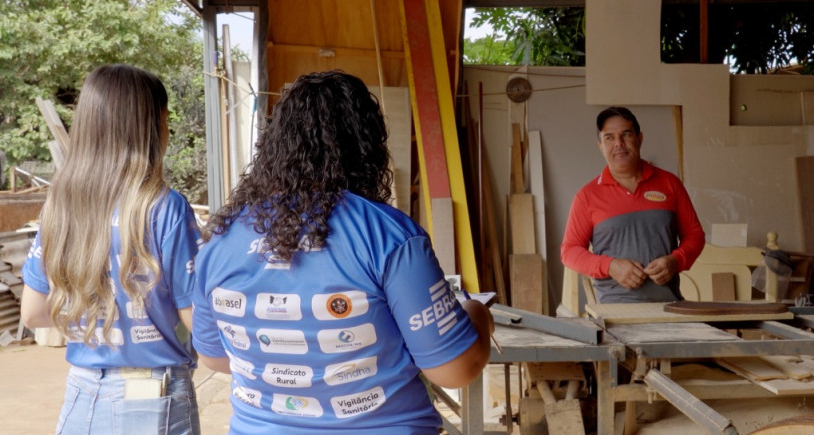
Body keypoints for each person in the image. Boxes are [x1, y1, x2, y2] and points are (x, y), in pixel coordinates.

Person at [192, 71, 494, 434]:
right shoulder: (387, 235)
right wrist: (478, 314)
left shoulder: (221, 239)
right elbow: (455, 370)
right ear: (366, 146)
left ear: (273, 146)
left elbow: (215, 358)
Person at [20, 64, 202, 434]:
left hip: (82, 392)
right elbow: (197, 320)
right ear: (151, 129)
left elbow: (33, 313)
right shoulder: (165, 208)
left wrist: (98, 314)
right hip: (152, 396)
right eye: (165, 120)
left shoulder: (59, 206)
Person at [561, 106, 706, 303]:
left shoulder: (670, 184)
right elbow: (569, 251)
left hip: (669, 307)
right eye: (609, 138)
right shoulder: (587, 196)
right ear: (601, 146)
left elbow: (695, 235)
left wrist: (675, 260)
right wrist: (610, 266)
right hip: (614, 311)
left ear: (639, 138)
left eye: (626, 134)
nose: (618, 143)